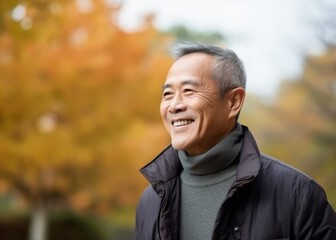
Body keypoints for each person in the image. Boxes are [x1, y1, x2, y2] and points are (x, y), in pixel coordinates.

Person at [135, 41, 336, 240]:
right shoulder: (151, 202)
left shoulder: (297, 194)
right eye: (167, 94)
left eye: (189, 91)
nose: (174, 106)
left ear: (234, 101)